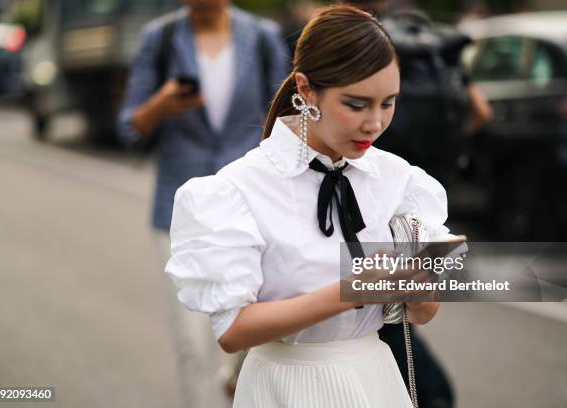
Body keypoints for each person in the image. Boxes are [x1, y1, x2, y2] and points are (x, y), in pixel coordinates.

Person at [166, 6, 457, 407]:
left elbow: (422, 314)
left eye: (387, 103)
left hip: (376, 379)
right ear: (305, 89)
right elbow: (233, 330)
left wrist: (418, 288)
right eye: (357, 105)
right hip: (285, 384)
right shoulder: (238, 189)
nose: (374, 123)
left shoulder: (398, 180)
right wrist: (350, 291)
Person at [118, 1, 289, 406]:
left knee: (259, 327)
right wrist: (160, 105)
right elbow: (128, 128)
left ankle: (234, 378)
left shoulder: (262, 37)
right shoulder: (159, 38)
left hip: (253, 207)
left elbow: (287, 118)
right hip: (180, 214)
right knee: (193, 344)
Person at [337, 1, 492, 407]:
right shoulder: (434, 42)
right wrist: (443, 152)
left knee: (380, 315)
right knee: (393, 311)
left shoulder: (340, 41)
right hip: (416, 195)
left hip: (356, 192)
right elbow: (480, 110)